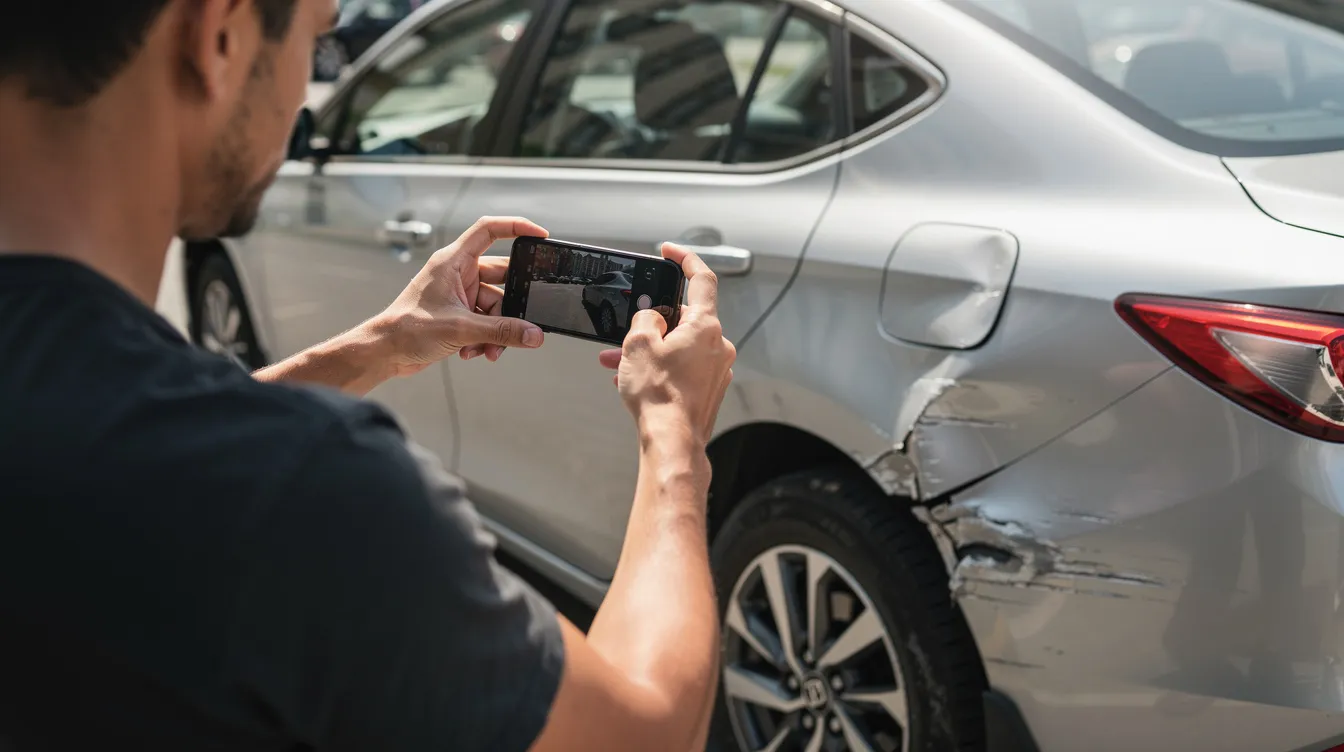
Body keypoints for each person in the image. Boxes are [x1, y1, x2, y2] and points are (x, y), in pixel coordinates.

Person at [0, 1, 736, 750]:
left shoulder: (103, 433)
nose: (302, 98)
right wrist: (676, 439)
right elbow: (647, 732)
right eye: (317, 39)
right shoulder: (317, 489)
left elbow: (130, 452)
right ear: (217, 36)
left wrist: (382, 344)